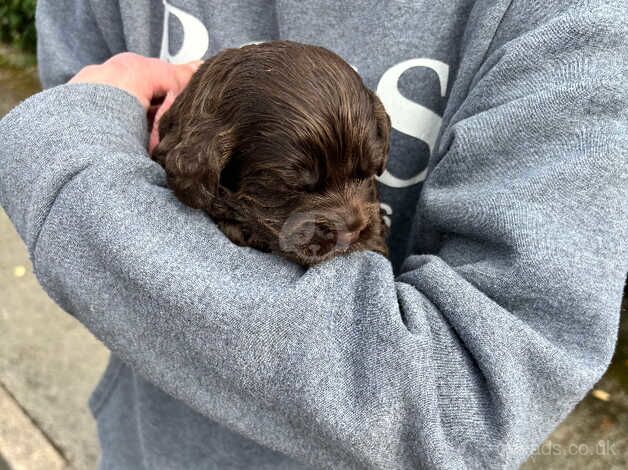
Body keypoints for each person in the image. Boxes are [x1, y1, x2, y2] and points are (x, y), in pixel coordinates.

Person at [0, 0, 626, 468]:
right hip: (149, 442)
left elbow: (470, 404)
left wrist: (65, 176)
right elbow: (88, 109)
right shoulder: (198, 154)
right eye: (303, 186)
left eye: (366, 177)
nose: (358, 217)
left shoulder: (573, 25)